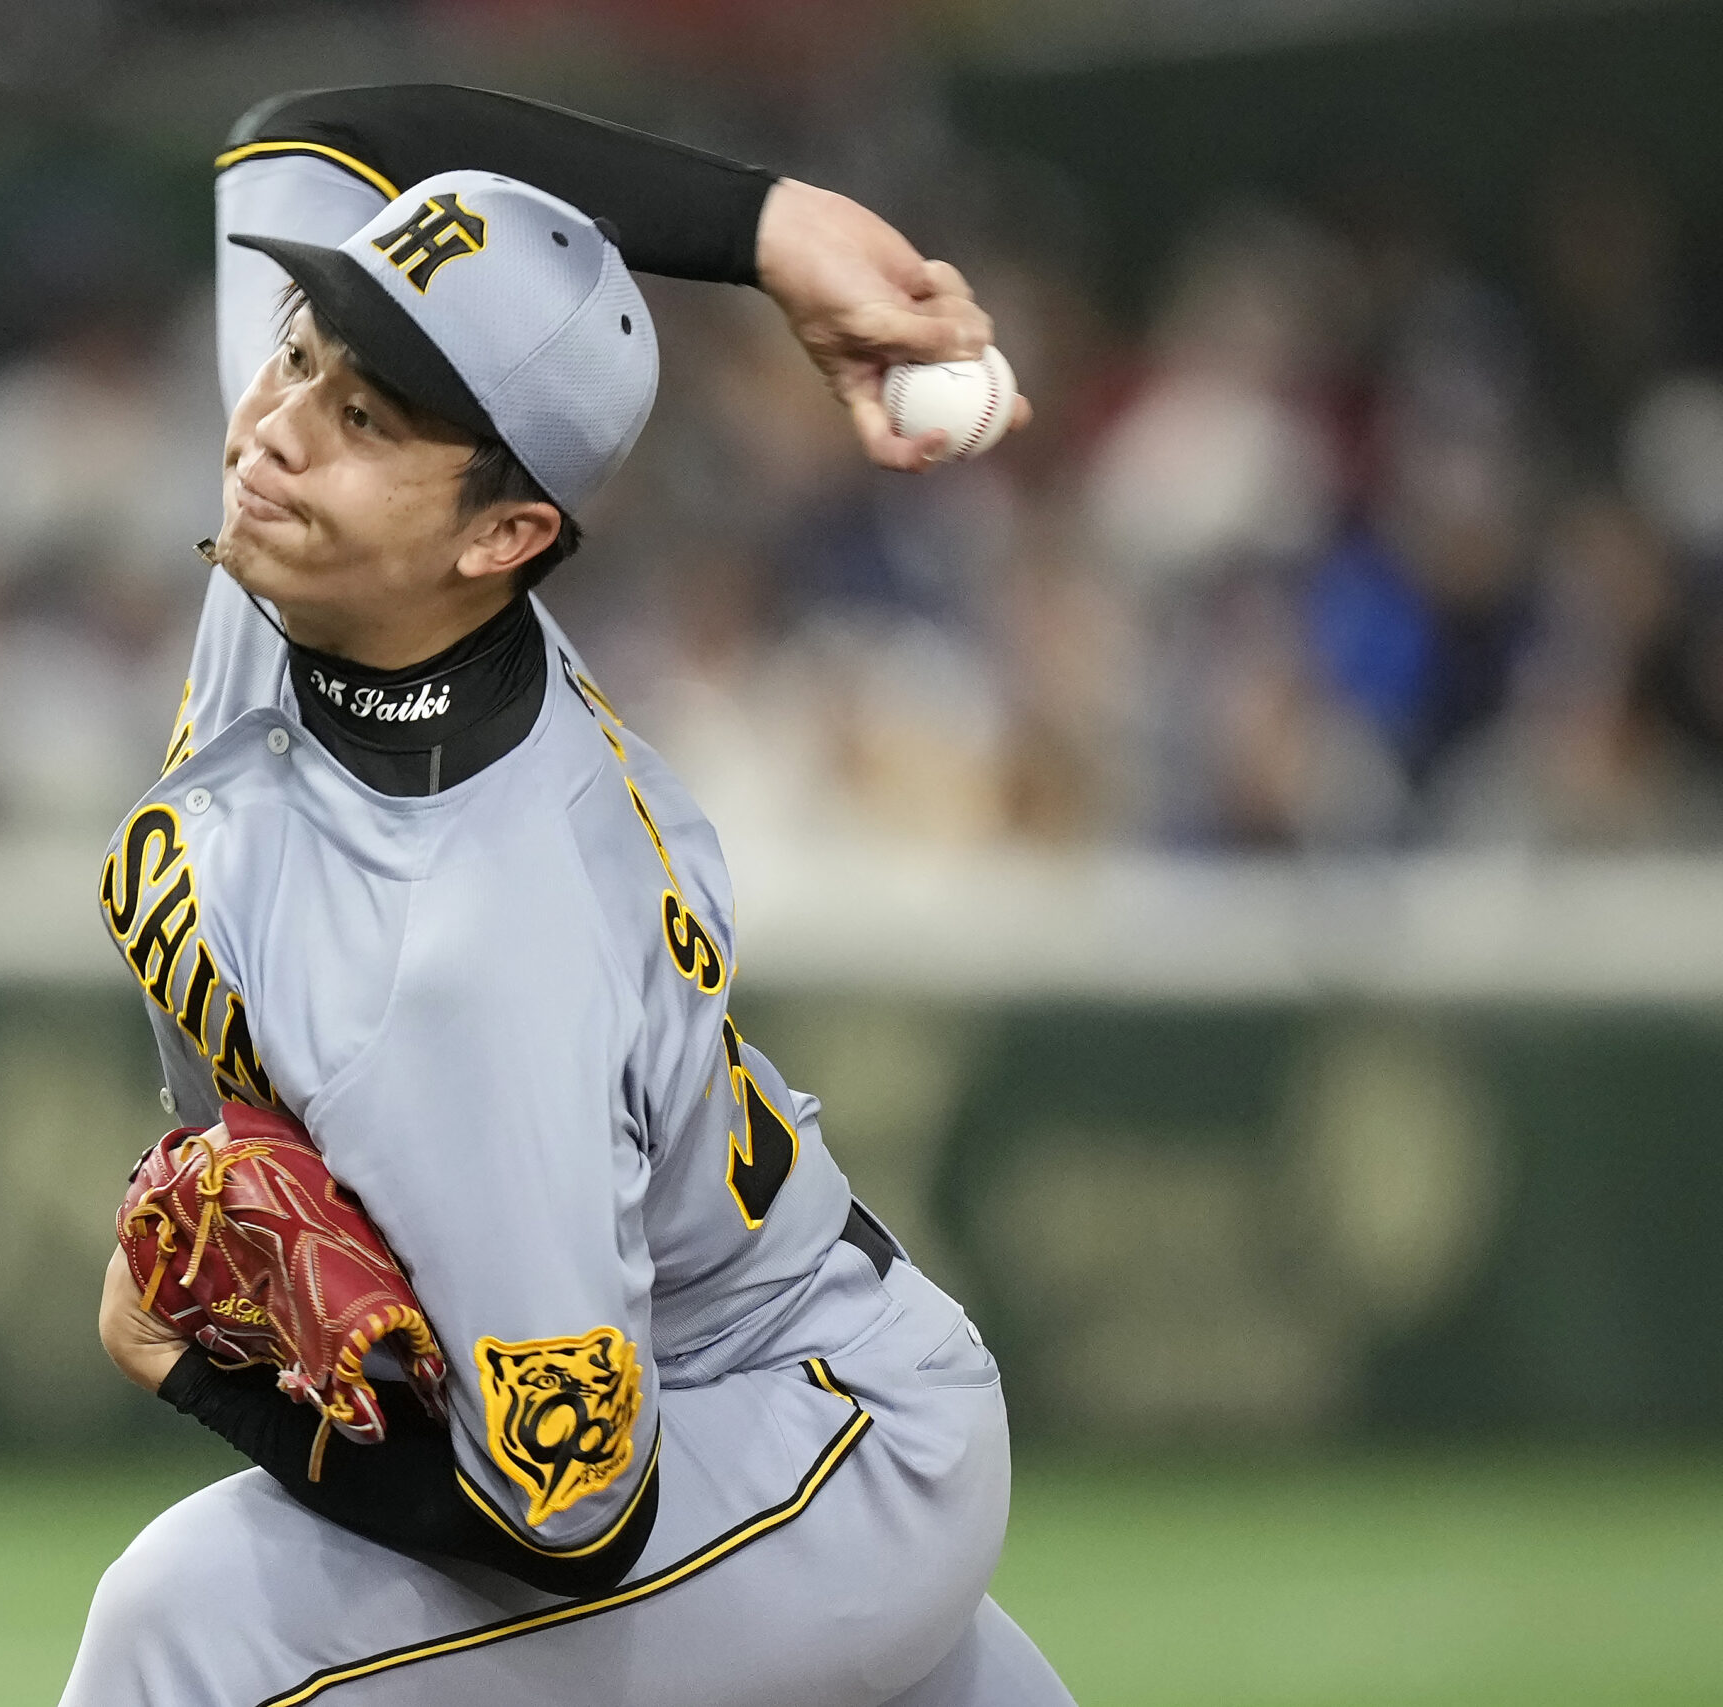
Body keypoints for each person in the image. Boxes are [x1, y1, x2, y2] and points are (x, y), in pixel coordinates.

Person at [65, 85, 1070, 1707]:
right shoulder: (334, 553)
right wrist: (770, 228)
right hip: (714, 1370)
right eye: (302, 348)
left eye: (369, 416)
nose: (279, 421)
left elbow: (570, 1527)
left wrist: (187, 1369)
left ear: (507, 534)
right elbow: (319, 129)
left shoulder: (475, 939)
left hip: (791, 1458)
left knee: (197, 1621)